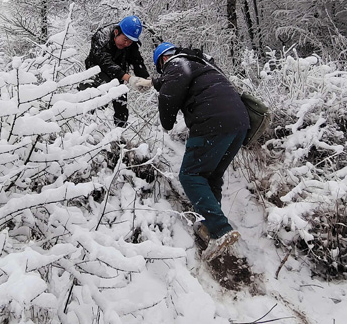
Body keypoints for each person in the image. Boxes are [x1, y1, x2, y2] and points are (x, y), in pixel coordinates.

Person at [151, 42, 250, 261]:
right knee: (210, 176)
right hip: (240, 123)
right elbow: (177, 82)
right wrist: (154, 83)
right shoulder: (201, 63)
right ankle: (210, 227)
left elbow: (170, 94)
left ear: (163, 60)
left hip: (212, 123)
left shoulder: (176, 64)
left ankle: (220, 229)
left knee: (190, 175)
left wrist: (166, 122)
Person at [83, 15, 152, 127]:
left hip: (119, 72)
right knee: (95, 101)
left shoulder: (130, 41)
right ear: (116, 32)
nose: (127, 44)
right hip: (97, 71)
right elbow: (105, 63)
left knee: (121, 105)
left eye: (130, 42)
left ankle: (119, 133)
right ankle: (87, 128)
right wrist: (129, 78)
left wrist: (146, 79)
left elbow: (137, 60)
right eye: (125, 40)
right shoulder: (101, 36)